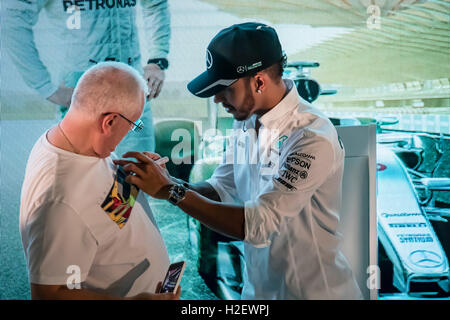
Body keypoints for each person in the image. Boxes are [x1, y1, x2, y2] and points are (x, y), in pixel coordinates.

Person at [114, 22, 363, 300]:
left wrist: (172, 192)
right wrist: (166, 181)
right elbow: (222, 188)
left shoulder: (311, 136)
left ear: (258, 81)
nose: (218, 99)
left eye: (224, 88)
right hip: (257, 293)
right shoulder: (246, 120)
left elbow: (258, 224)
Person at [20, 62, 180, 300]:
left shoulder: (82, 143)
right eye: (133, 125)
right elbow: (49, 294)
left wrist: (132, 178)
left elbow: (101, 213)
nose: (131, 132)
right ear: (110, 122)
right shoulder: (60, 203)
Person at [3, 0, 171, 156]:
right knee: (82, 181)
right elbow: (13, 19)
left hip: (132, 92)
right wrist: (46, 87)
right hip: (82, 97)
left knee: (137, 177)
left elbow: (155, 4)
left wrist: (157, 60)